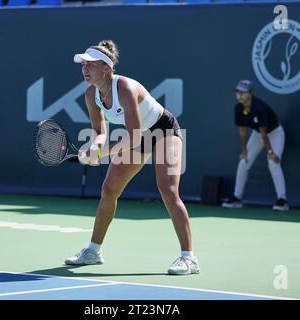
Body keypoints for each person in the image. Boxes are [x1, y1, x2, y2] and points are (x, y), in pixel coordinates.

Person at [64, 40, 200, 275]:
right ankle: (93, 251)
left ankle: (189, 258)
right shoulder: (90, 94)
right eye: (83, 65)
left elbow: (134, 137)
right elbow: (99, 133)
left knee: (168, 190)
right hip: (137, 137)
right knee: (109, 190)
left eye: (91, 65)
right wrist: (95, 148)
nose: (85, 69)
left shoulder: (125, 87)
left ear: (106, 68)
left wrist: (102, 153)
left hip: (163, 131)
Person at [222, 80, 289, 211]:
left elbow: (265, 134)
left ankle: (282, 200)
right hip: (258, 134)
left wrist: (270, 152)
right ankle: (237, 198)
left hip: (275, 133)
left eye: (243, 92)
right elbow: (242, 131)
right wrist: (244, 151)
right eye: (238, 92)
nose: (240, 95)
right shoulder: (238, 108)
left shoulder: (259, 107)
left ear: (250, 93)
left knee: (273, 163)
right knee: (243, 162)